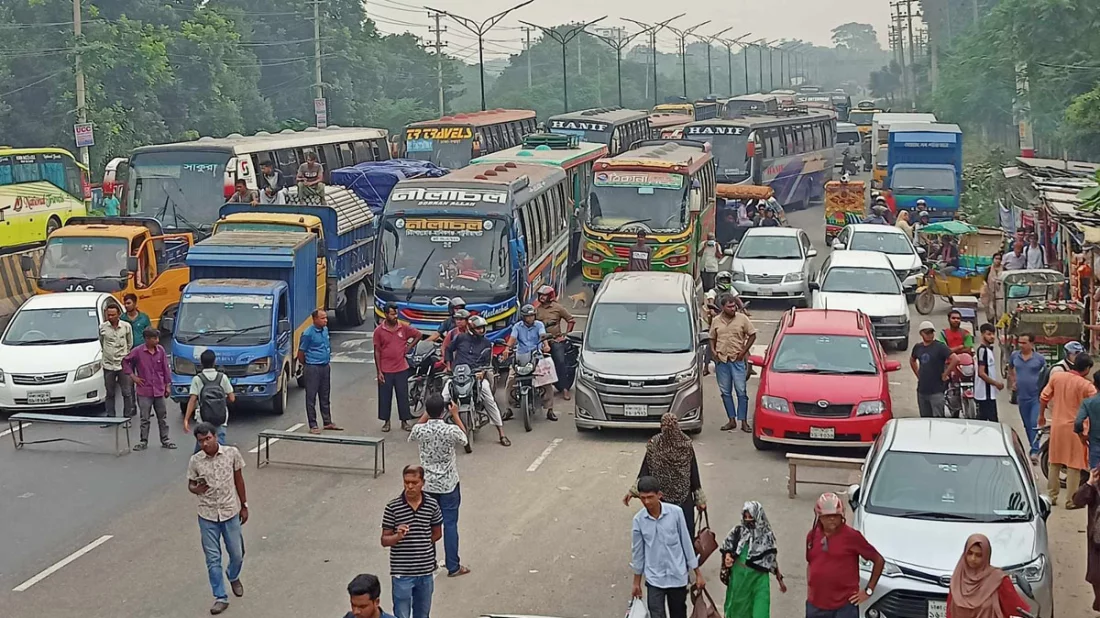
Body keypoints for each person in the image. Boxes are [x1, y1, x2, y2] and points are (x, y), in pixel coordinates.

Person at [187, 421, 248, 616]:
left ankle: (233, 575)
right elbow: (190, 484)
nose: (205, 444)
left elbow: (239, 479)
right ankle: (220, 597)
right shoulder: (196, 461)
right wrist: (196, 489)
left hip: (230, 513)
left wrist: (244, 505)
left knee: (237, 554)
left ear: (215, 436)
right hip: (207, 515)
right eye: (201, 441)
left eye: (208, 439)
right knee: (213, 559)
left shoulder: (231, 454)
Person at [409, 395, 470, 578]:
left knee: (429, 525)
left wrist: (426, 414)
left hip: (427, 486)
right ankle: (453, 566)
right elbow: (465, 438)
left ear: (427, 410)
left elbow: (414, 431)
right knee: (450, 525)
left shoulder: (421, 430)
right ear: (444, 411)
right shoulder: (449, 430)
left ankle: (429, 563)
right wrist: (456, 415)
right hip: (448, 484)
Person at [630, 475, 705, 618]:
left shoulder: (676, 513)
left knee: (678, 613)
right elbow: (638, 553)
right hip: (654, 578)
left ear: (659, 495)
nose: (646, 502)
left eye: (650, 497)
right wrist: (636, 583)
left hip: (677, 576)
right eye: (643, 498)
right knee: (656, 614)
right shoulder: (638, 521)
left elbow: (686, 543)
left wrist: (698, 574)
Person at [623, 413, 707, 536]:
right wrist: (633, 491)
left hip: (683, 499)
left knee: (684, 535)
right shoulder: (655, 445)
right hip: (662, 499)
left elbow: (693, 473)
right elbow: (646, 469)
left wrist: (700, 499)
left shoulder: (686, 445)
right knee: (663, 536)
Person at [805, 493, 884, 618]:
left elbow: (878, 560)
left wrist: (869, 590)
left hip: (844, 607)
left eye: (835, 516)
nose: (832, 519)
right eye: (827, 516)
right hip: (816, 606)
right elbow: (811, 562)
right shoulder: (812, 536)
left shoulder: (852, 537)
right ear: (819, 517)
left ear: (842, 515)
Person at [381, 465, 442, 618]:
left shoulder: (432, 505)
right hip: (402, 573)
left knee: (422, 614)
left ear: (423, 483)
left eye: (414, 482)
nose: (410, 486)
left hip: (426, 572)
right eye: (406, 482)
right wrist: (397, 537)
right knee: (402, 614)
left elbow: (437, 533)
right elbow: (384, 540)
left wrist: (422, 544)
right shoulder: (392, 507)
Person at [444, 315, 510, 446]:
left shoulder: (486, 343)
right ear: (471, 328)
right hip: (458, 376)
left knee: (490, 400)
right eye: (478, 328)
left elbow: (487, 362)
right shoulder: (460, 338)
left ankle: (502, 434)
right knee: (443, 397)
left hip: (476, 376)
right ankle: (434, 430)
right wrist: (448, 366)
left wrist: (482, 373)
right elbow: (448, 349)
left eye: (483, 328)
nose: (481, 330)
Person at [1039, 354, 1095, 507]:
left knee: (1054, 461)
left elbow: (1044, 397)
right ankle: (1071, 500)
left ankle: (1051, 496)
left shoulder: (1057, 378)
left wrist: (1041, 416)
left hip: (1057, 426)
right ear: (1087, 369)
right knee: (1074, 465)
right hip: (1076, 429)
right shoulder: (1086, 385)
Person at [720, 501, 786, 618]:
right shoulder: (738, 531)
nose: (748, 520)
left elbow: (771, 560)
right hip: (739, 579)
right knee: (737, 611)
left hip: (759, 580)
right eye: (745, 516)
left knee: (760, 612)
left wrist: (779, 579)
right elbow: (727, 547)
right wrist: (728, 557)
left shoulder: (767, 536)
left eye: (751, 517)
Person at [945, 534, 1029, 618]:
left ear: (986, 556)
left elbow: (1017, 610)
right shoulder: (958, 580)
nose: (973, 558)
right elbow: (950, 613)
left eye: (978, 555)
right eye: (970, 553)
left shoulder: (997, 580)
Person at [123, 328, 176, 450]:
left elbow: (165, 369)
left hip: (159, 389)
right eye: (154, 338)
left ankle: (165, 439)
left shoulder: (161, 351)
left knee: (162, 417)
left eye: (157, 338)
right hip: (144, 390)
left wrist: (167, 385)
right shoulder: (137, 351)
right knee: (145, 418)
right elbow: (125, 362)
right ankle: (143, 441)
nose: (157, 341)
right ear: (147, 339)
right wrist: (133, 376)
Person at [710, 294, 756, 432]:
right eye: (729, 306)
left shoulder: (742, 319)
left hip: (737, 360)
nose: (733, 308)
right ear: (723, 307)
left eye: (734, 306)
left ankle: (743, 422)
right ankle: (731, 420)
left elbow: (752, 335)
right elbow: (712, 337)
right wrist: (713, 352)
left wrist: (743, 352)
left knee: (741, 392)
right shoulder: (716, 321)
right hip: (722, 361)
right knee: (725, 392)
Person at [501, 304, 555, 421]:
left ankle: (550, 409)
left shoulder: (539, 325)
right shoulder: (517, 327)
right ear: (523, 317)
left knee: (547, 381)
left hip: (537, 356)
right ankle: (508, 409)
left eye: (532, 316)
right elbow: (512, 339)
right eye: (528, 316)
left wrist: (546, 345)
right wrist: (506, 349)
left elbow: (543, 336)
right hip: (521, 356)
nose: (530, 318)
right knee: (510, 380)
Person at [373, 305, 421, 433]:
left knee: (402, 396)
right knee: (385, 397)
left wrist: (409, 347)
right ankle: (386, 422)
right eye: (392, 314)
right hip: (386, 369)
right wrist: (379, 371)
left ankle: (404, 421)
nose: (395, 316)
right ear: (385, 314)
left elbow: (418, 335)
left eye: (396, 314)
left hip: (401, 368)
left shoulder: (403, 327)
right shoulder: (379, 331)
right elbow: (377, 351)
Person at [299, 309, 343, 434]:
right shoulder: (308, 334)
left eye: (325, 318)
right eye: (323, 318)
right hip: (313, 367)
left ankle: (327, 422)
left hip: (325, 366)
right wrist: (307, 364)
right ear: (315, 319)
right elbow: (301, 352)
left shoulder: (325, 330)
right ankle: (313, 424)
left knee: (325, 395)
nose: (326, 320)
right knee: (311, 397)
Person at [184, 349, 235, 452]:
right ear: (214, 362)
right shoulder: (223, 377)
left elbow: (192, 400)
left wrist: (186, 419)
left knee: (200, 450)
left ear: (201, 363)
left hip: (203, 419)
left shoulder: (197, 379)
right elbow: (232, 398)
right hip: (221, 418)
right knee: (220, 450)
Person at [1008, 333, 1047, 462]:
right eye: (1020, 342)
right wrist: (1013, 381)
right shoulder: (1015, 356)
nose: (1021, 345)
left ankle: (1035, 451)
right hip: (1021, 397)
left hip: (1035, 396)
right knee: (1026, 424)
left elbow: (1046, 374)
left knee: (1033, 423)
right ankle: (1033, 446)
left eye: (1024, 343)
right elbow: (1010, 368)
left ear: (1032, 344)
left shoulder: (1039, 359)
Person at [534, 285, 575, 401]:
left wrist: (565, 335)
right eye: (540, 295)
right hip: (541, 341)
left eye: (544, 295)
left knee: (560, 362)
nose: (542, 298)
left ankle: (565, 389)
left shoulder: (558, 308)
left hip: (555, 339)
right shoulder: (537, 309)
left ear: (550, 296)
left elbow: (571, 320)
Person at [910, 321, 957, 419]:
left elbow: (955, 359)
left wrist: (945, 374)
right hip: (922, 390)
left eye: (931, 332)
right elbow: (912, 360)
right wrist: (918, 374)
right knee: (925, 418)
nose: (929, 335)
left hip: (936, 391)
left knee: (937, 419)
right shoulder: (918, 347)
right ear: (921, 333)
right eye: (927, 333)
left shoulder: (940, 347)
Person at [1071, 465, 1100, 612]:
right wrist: (1090, 483)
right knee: (1097, 580)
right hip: (1097, 545)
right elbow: (1077, 500)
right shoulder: (1094, 488)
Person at [99, 305, 133, 419]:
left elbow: (130, 343)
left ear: (118, 315)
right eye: (108, 315)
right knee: (110, 392)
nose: (110, 317)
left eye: (113, 315)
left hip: (122, 364)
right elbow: (101, 342)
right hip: (108, 364)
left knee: (126, 392)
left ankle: (127, 417)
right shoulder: (103, 327)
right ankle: (110, 417)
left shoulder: (126, 326)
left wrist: (125, 355)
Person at [974, 323, 1003, 423]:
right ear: (982, 335)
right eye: (989, 334)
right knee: (990, 423)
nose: (992, 337)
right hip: (985, 395)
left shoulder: (988, 350)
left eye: (993, 334)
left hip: (989, 394)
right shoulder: (983, 351)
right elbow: (981, 373)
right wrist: (996, 384)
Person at [1075, 373, 1100, 470]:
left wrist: (1081, 436)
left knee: (1095, 476)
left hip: (1095, 444)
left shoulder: (1088, 402)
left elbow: (1078, 422)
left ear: (1094, 384)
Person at [979, 252, 1004, 324]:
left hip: (1001, 294)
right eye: (996, 259)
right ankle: (991, 325)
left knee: (1000, 311)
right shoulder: (988, 269)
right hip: (990, 293)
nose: (998, 260)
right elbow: (984, 280)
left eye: (999, 259)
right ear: (993, 259)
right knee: (990, 311)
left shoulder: (1004, 269)